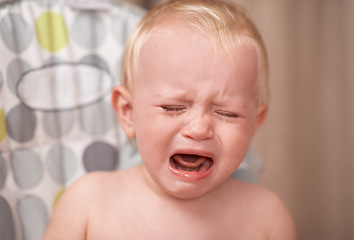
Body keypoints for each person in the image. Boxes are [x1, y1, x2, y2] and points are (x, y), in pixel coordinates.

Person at [43, 0, 297, 239]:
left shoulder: (268, 217)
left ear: (254, 124)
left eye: (227, 113)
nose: (198, 129)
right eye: (172, 107)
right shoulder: (88, 204)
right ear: (128, 113)